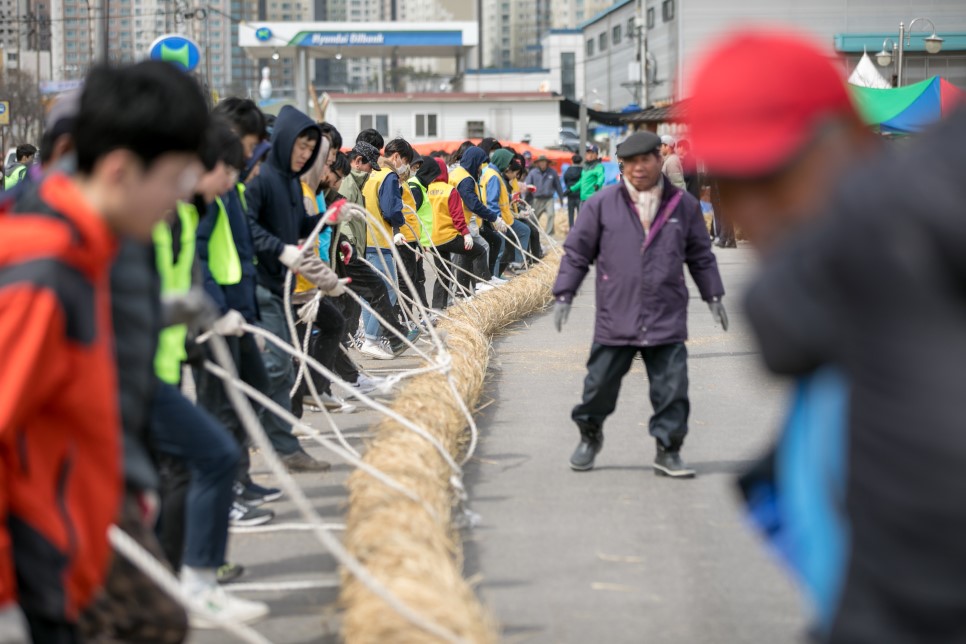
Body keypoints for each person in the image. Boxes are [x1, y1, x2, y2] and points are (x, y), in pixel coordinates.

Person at [688, 29, 966, 643]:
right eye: (732, 183)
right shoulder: (826, 325)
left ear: (855, 140)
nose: (757, 210)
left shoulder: (925, 287)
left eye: (778, 172)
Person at [0, 61, 207, 644]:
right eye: (173, 179)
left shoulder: (85, 253)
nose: (178, 201)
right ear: (119, 170)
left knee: (157, 622)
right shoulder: (44, 272)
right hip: (35, 572)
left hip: (70, 545)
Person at [149, 116, 270, 625]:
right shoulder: (163, 215)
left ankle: (180, 580)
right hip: (133, 373)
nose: (231, 183)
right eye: (227, 171)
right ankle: (182, 579)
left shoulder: (191, 210)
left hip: (167, 359)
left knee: (191, 465)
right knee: (205, 458)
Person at [552, 131, 727, 477]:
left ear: (659, 160)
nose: (638, 168)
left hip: (666, 315)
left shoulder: (684, 206)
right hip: (616, 315)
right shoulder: (601, 204)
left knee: (672, 389)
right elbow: (576, 255)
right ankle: (590, 436)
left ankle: (668, 449)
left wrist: (714, 295)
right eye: (630, 162)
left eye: (645, 160)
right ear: (622, 166)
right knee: (597, 387)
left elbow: (701, 257)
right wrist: (564, 293)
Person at [246, 105, 344, 473]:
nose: (304, 154)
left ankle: (284, 447)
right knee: (275, 365)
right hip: (260, 285)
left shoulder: (290, 181)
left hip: (282, 285)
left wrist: (327, 218)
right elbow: (249, 228)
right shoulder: (262, 181)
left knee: (285, 368)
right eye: (300, 146)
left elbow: (299, 224)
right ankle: (252, 431)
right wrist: (280, 249)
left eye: (309, 148)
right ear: (283, 139)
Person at [360, 138, 422, 358]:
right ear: (396, 157)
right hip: (379, 241)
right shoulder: (388, 175)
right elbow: (391, 210)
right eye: (405, 161)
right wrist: (399, 227)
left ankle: (369, 337)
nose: (404, 166)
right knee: (388, 292)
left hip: (365, 239)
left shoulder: (370, 174)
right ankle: (371, 339)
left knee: (372, 292)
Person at [411, 156, 485, 308]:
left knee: (443, 272)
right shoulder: (450, 190)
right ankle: (479, 286)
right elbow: (457, 217)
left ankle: (438, 307)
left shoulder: (424, 189)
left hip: (432, 240)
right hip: (449, 237)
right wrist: (465, 234)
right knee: (478, 251)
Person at [448, 145, 498, 290]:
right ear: (474, 161)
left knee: (466, 256)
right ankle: (481, 284)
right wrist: (493, 217)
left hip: (455, 221)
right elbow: (473, 204)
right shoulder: (465, 179)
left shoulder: (457, 173)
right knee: (480, 248)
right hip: (458, 223)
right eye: (480, 164)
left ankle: (463, 290)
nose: (480, 169)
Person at [525, 154, 564, 235]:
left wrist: (561, 197)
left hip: (549, 199)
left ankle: (549, 234)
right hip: (537, 199)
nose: (542, 164)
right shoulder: (533, 173)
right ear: (538, 163)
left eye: (544, 162)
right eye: (540, 162)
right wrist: (526, 198)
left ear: (547, 163)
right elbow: (527, 186)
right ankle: (533, 233)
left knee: (551, 215)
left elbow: (558, 186)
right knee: (534, 217)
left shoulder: (552, 172)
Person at [570, 143, 605, 207]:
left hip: (593, 198)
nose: (590, 155)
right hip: (583, 198)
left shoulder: (598, 166)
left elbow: (601, 177)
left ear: (596, 155)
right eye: (588, 153)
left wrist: (598, 184)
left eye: (592, 153)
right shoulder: (585, 167)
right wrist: (571, 189)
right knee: (582, 216)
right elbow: (581, 181)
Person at [563, 153, 583, 229]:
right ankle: (579, 229)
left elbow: (565, 179)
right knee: (580, 213)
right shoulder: (583, 170)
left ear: (572, 161)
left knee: (570, 214)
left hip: (570, 194)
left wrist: (569, 187)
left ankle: (571, 229)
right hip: (579, 194)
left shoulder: (568, 170)